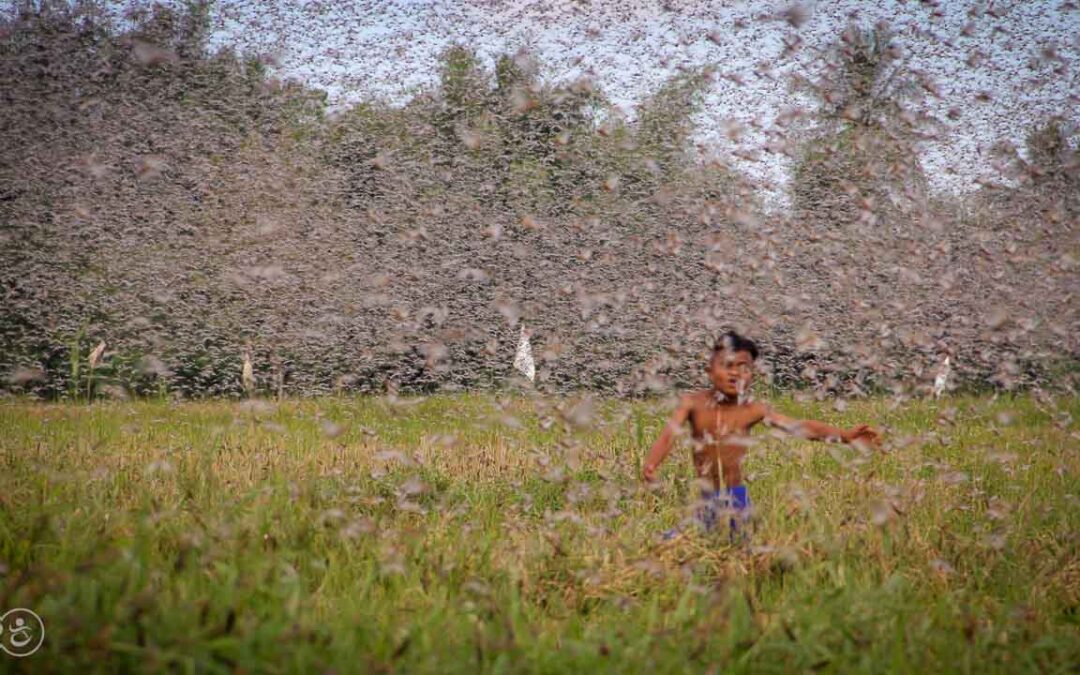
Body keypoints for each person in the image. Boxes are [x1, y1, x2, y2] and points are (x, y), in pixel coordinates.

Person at [642, 331, 881, 541]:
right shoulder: (693, 403)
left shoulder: (752, 410)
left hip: (737, 497)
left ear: (753, 375)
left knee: (744, 550)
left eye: (743, 367)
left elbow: (801, 427)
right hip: (708, 498)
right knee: (674, 544)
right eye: (727, 365)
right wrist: (652, 464)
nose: (735, 373)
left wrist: (846, 436)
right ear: (710, 370)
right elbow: (668, 435)